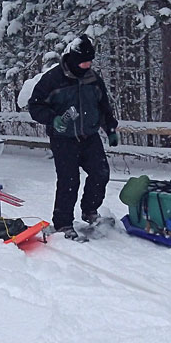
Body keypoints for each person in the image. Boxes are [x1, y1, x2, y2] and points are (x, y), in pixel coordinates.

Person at [28, 34, 119, 240]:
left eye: (90, 61)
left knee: (100, 173)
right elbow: (35, 106)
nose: (87, 65)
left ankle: (90, 211)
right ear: (72, 59)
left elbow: (103, 107)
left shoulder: (93, 79)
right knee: (69, 181)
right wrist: (54, 119)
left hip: (89, 136)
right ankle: (63, 224)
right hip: (63, 138)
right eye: (83, 61)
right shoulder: (53, 79)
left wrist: (110, 129)